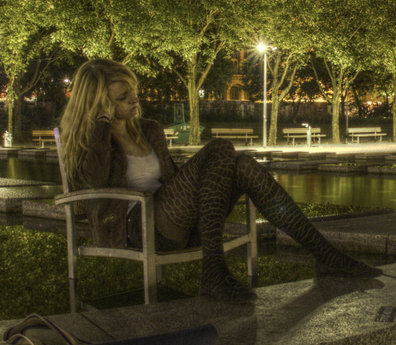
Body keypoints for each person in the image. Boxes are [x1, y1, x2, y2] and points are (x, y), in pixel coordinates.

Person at [58, 58, 379, 302]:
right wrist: (101, 124)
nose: (134, 100)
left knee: (245, 167)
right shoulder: (90, 140)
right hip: (135, 228)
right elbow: (94, 184)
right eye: (121, 97)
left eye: (134, 92)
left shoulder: (150, 130)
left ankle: (323, 253)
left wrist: (200, 178)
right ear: (99, 102)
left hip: (180, 221)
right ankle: (215, 270)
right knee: (222, 149)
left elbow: (170, 176)